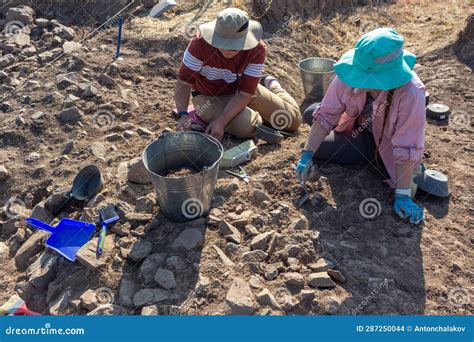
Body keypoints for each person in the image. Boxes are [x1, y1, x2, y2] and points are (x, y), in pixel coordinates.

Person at [296, 28, 426, 225]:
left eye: (362, 76)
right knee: (310, 115)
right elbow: (327, 112)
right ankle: (342, 139)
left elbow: (406, 145)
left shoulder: (411, 94)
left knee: (322, 148)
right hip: (356, 124)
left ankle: (371, 159)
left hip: (381, 143)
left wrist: (403, 194)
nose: (356, 79)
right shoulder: (351, 71)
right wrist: (306, 154)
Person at [174, 7, 301, 140]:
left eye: (233, 47)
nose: (227, 51)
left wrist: (222, 121)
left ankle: (273, 85)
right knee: (249, 127)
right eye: (221, 43)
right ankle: (255, 116)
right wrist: (183, 114)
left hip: (242, 92)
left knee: (291, 121)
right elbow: (183, 83)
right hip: (208, 97)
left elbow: (244, 94)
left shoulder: (257, 49)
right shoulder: (199, 44)